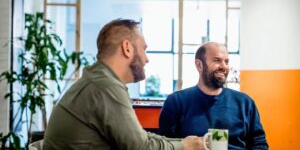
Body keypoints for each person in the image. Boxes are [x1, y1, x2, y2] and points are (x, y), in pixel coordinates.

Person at [43, 19, 204, 150]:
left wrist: (181, 143)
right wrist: (184, 146)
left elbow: (139, 136)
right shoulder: (105, 87)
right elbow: (141, 147)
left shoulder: (98, 80)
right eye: (144, 49)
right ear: (127, 48)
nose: (147, 59)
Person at [159, 42, 269, 150]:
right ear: (199, 65)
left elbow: (259, 143)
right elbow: (167, 145)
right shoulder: (176, 102)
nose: (224, 66)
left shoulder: (245, 103)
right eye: (217, 60)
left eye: (226, 61)